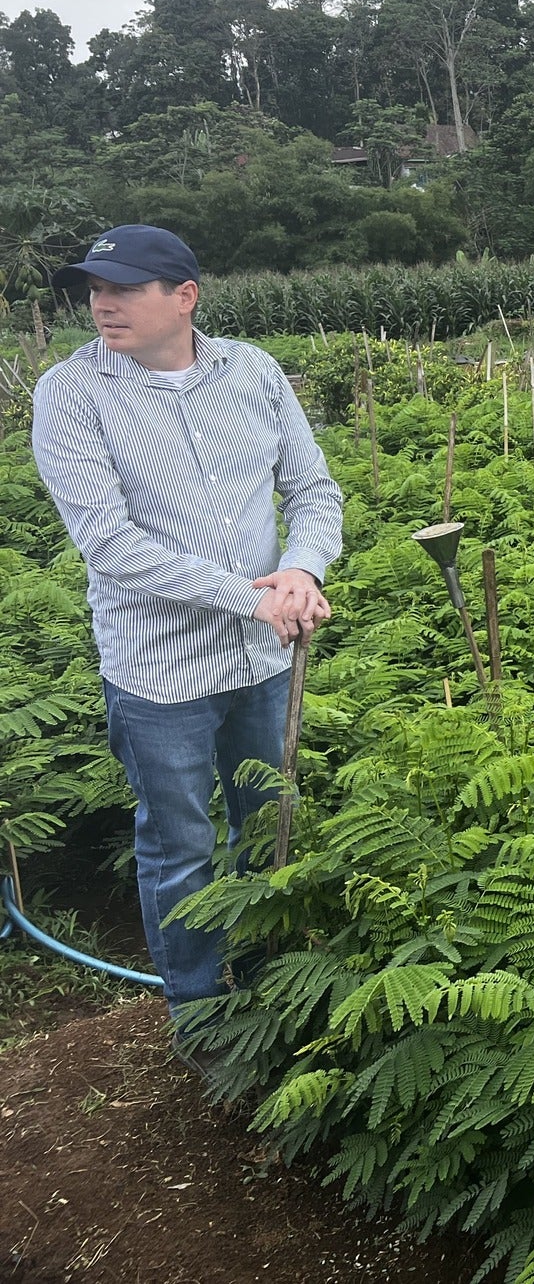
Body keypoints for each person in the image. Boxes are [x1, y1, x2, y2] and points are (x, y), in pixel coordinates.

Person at [31, 225, 343, 1026]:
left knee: (268, 823)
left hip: (264, 660)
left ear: (184, 296)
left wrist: (302, 569)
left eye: (126, 287)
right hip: (158, 672)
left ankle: (279, 986)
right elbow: (109, 545)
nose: (103, 303)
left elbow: (312, 489)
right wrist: (252, 596)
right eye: (95, 288)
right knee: (180, 847)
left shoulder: (253, 371)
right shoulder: (72, 393)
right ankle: (199, 1011)